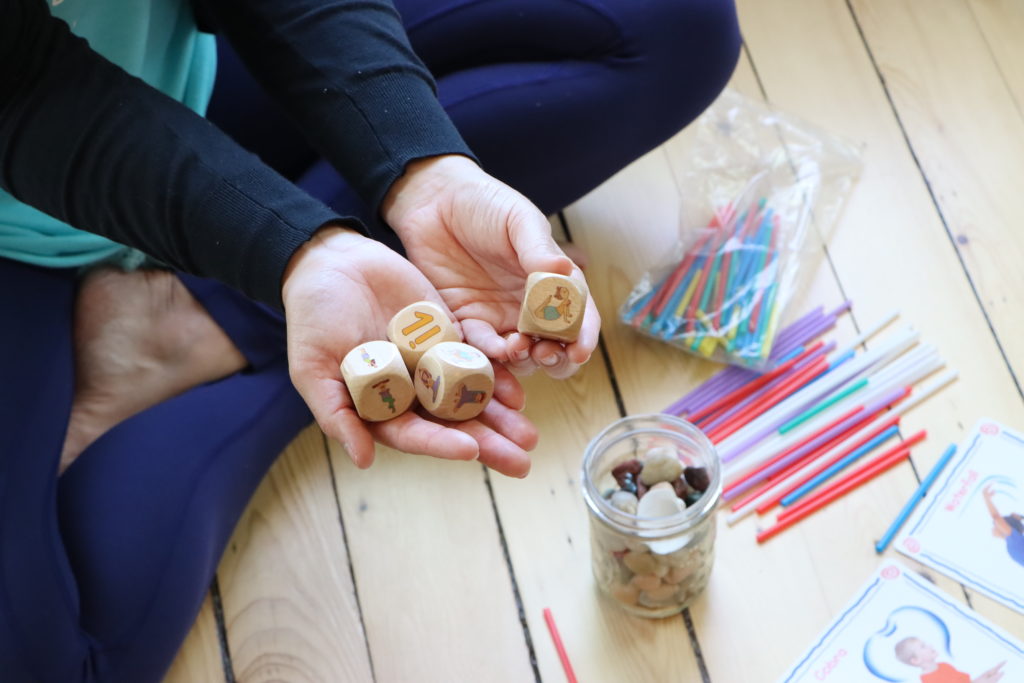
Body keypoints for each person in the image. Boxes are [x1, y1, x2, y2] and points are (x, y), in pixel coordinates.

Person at [0, 0, 740, 679]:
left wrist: (421, 166)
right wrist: (287, 251)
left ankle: (202, 319)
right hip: (16, 219)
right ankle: (257, 327)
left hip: (182, 68)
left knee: (679, 23)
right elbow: (23, 86)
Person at [894, 636, 1005, 683]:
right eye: (923, 646)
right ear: (916, 660)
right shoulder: (929, 680)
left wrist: (983, 676)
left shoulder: (944, 665)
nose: (930, 646)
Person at [982, 485, 1024, 567]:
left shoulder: (1015, 541)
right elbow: (996, 518)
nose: (993, 527)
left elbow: (996, 517)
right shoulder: (1016, 541)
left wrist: (986, 497)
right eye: (995, 524)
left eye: (995, 524)